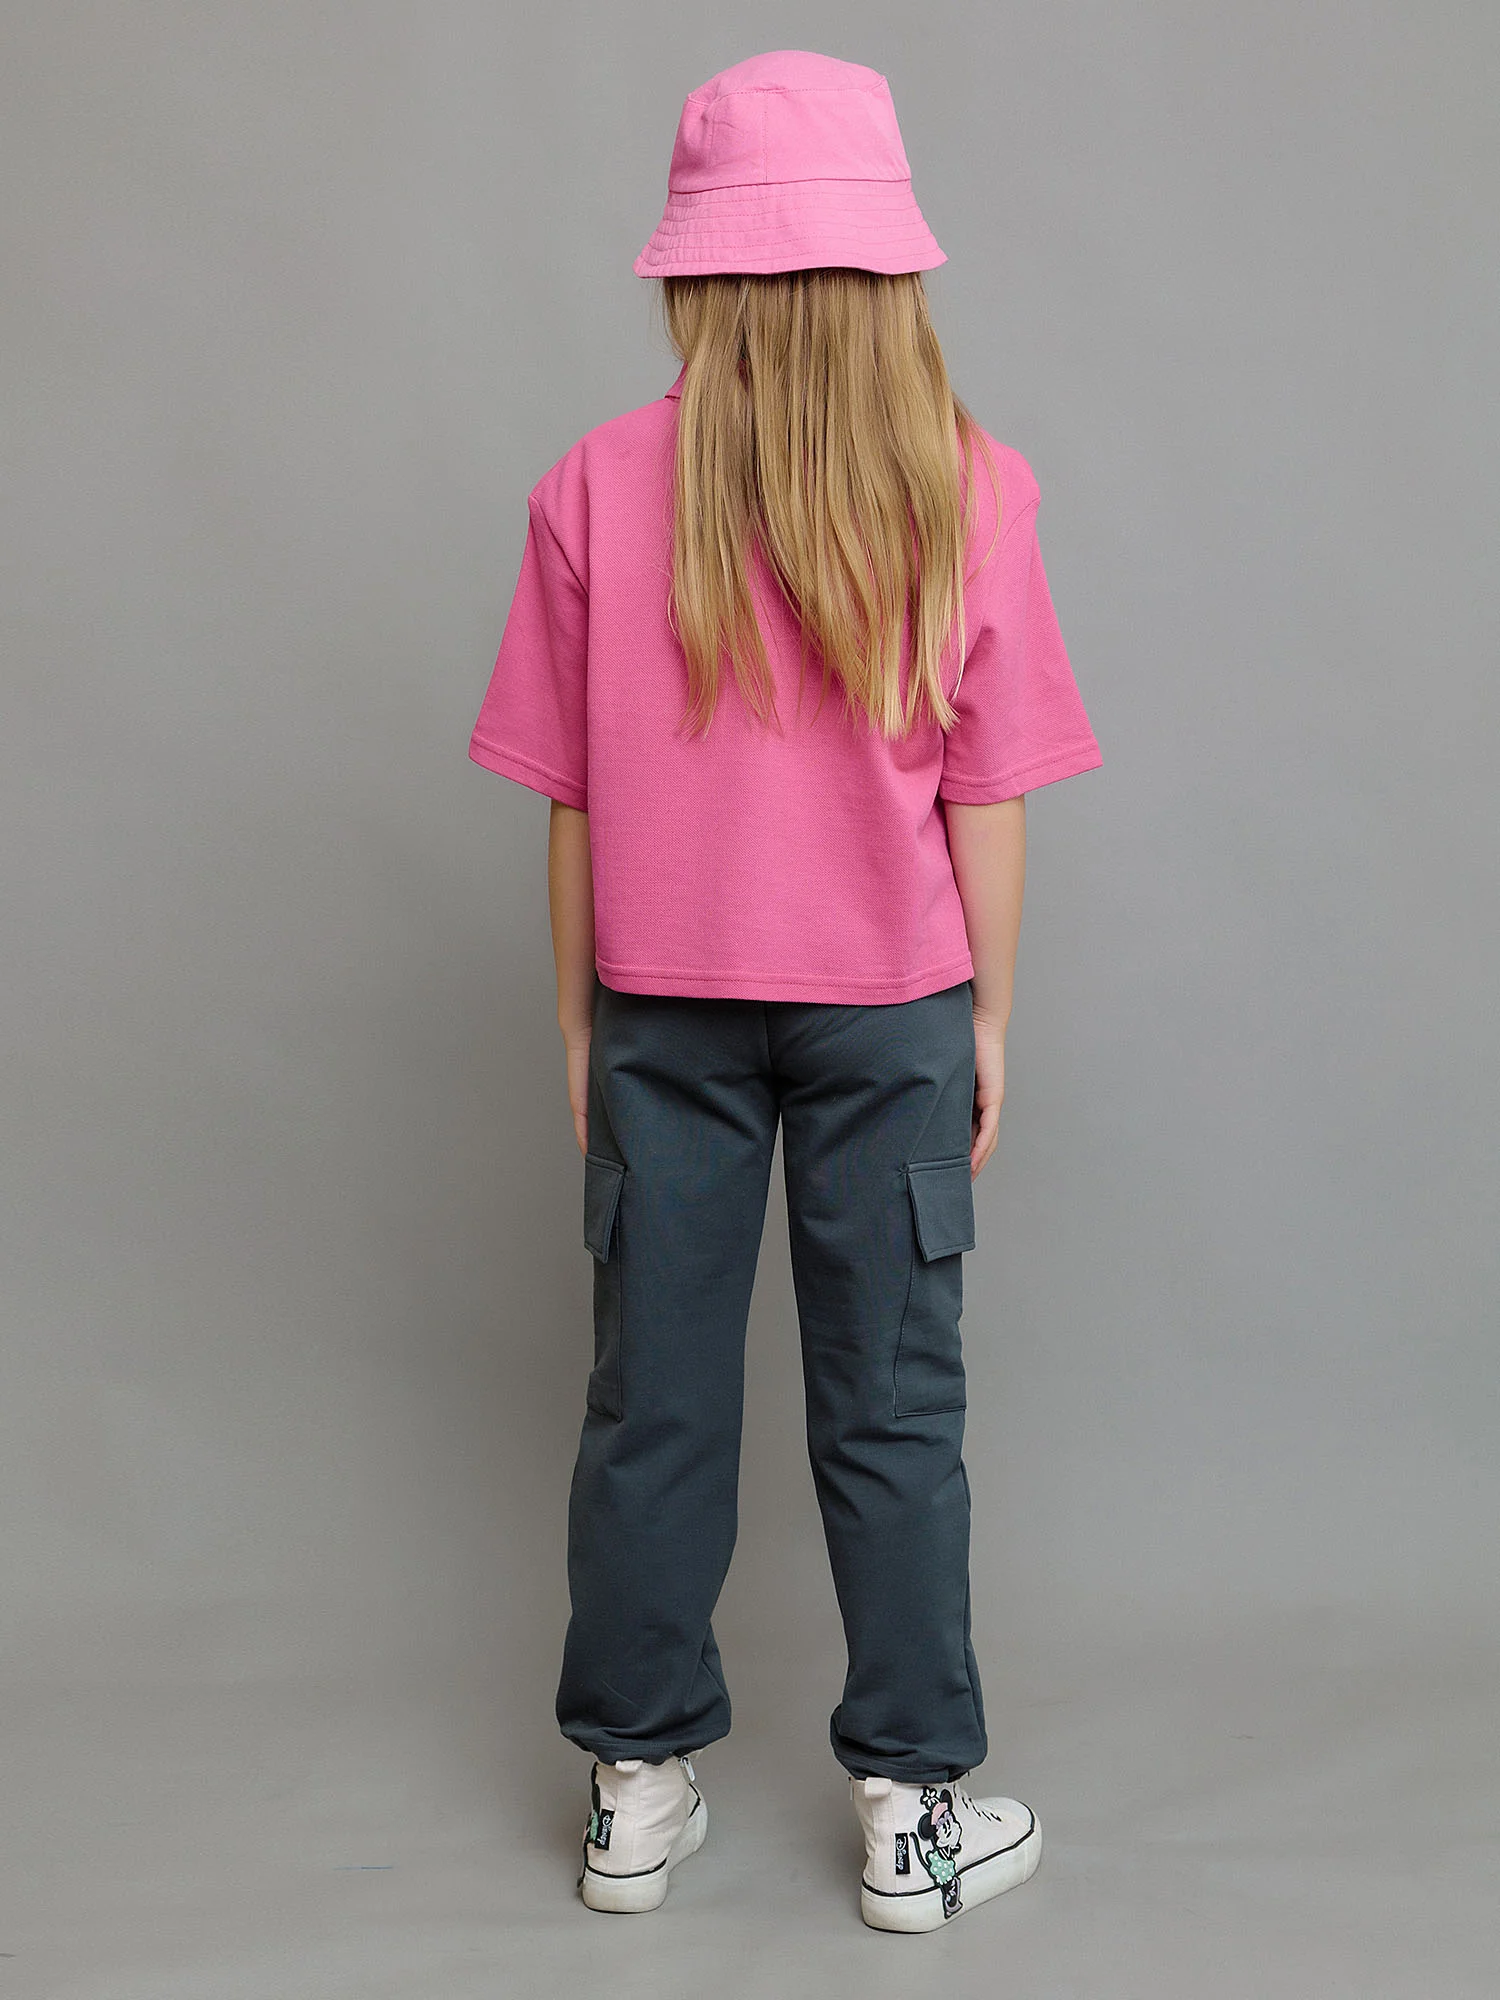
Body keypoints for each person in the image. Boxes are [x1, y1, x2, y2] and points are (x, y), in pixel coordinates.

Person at [467, 49, 1102, 1933]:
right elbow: (986, 793)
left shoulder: (596, 485)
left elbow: (574, 799)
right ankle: (913, 1815)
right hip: (890, 1005)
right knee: (894, 1412)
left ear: (698, 271)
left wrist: (580, 1024)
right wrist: (989, 1019)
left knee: (649, 1403)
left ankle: (634, 1795)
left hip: (661, 1008)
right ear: (890, 269)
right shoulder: (970, 486)